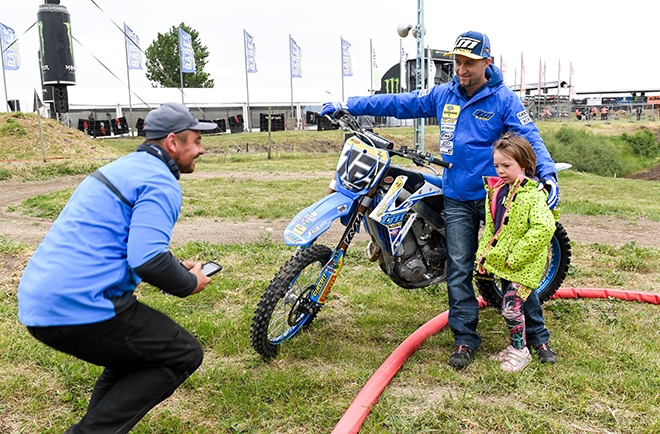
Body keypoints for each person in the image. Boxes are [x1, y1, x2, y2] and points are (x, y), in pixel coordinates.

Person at [320, 30, 559, 369]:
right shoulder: (443, 95)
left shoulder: (504, 99)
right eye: (457, 62)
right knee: (459, 268)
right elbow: (399, 102)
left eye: (469, 64)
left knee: (514, 267)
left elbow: (529, 136)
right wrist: (351, 105)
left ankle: (537, 337)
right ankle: (465, 341)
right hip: (458, 196)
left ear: (486, 62)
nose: (461, 70)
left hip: (498, 199)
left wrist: (547, 173)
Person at [17, 102, 218, 433]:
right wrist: (187, 283)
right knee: (183, 353)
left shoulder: (123, 167)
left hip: (41, 299)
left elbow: (124, 248)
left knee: (132, 359)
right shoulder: (160, 182)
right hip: (81, 306)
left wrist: (175, 270)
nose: (201, 149)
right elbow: (147, 259)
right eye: (195, 141)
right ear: (172, 142)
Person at [476, 132, 557, 372]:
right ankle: (518, 347)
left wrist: (517, 257)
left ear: (525, 164)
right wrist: (483, 257)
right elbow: (492, 228)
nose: (500, 170)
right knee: (514, 306)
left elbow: (544, 227)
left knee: (511, 307)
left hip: (524, 264)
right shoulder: (496, 191)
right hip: (504, 263)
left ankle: (522, 350)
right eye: (496, 165)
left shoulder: (533, 195)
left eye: (506, 165)